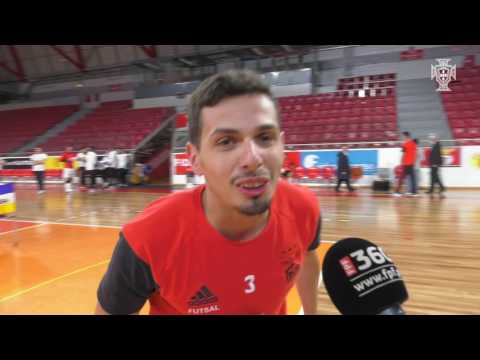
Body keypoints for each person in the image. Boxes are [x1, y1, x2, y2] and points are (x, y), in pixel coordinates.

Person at [95, 69, 322, 315]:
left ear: (282, 145)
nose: (252, 158)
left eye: (265, 137)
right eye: (226, 141)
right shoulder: (147, 238)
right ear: (195, 159)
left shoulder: (304, 208)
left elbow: (308, 258)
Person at [393, 131, 418, 197]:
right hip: (411, 164)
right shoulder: (414, 143)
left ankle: (397, 192)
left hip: (406, 164)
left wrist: (401, 162)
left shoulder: (405, 144)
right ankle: (414, 193)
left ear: (406, 136)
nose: (402, 138)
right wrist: (413, 161)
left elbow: (403, 154)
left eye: (403, 136)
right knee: (413, 179)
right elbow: (415, 154)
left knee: (401, 178)